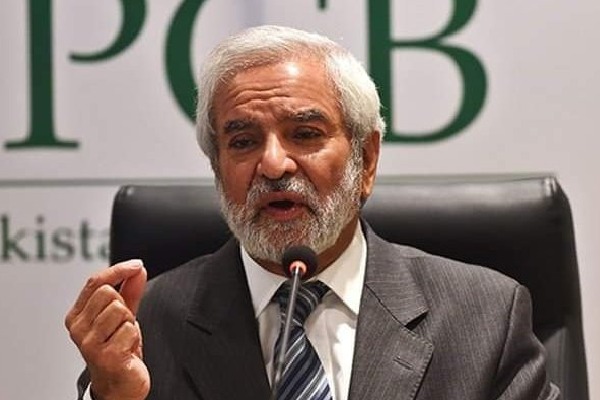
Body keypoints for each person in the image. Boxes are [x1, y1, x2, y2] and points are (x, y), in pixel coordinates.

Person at [65, 25, 559, 400]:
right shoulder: (148, 324)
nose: (273, 164)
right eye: (243, 141)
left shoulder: (483, 317)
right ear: (217, 168)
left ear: (366, 160)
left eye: (304, 134)